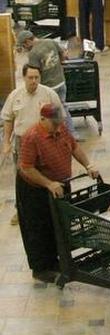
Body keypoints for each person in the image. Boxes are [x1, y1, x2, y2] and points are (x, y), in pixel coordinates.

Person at [17, 102, 98, 282]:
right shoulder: (31, 137)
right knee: (39, 227)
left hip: (60, 184)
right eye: (53, 123)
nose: (57, 126)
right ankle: (41, 268)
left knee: (58, 224)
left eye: (58, 122)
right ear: (42, 119)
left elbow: (74, 148)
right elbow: (27, 168)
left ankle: (56, 260)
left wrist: (88, 165)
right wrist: (48, 184)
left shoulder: (61, 129)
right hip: (35, 188)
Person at [2, 64, 65, 225]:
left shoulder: (49, 94)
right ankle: (21, 211)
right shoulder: (15, 96)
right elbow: (8, 119)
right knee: (23, 178)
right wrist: (6, 143)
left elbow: (60, 118)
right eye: (30, 78)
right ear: (24, 78)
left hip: (45, 142)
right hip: (22, 142)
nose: (34, 81)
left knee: (47, 174)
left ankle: (52, 208)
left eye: (37, 77)